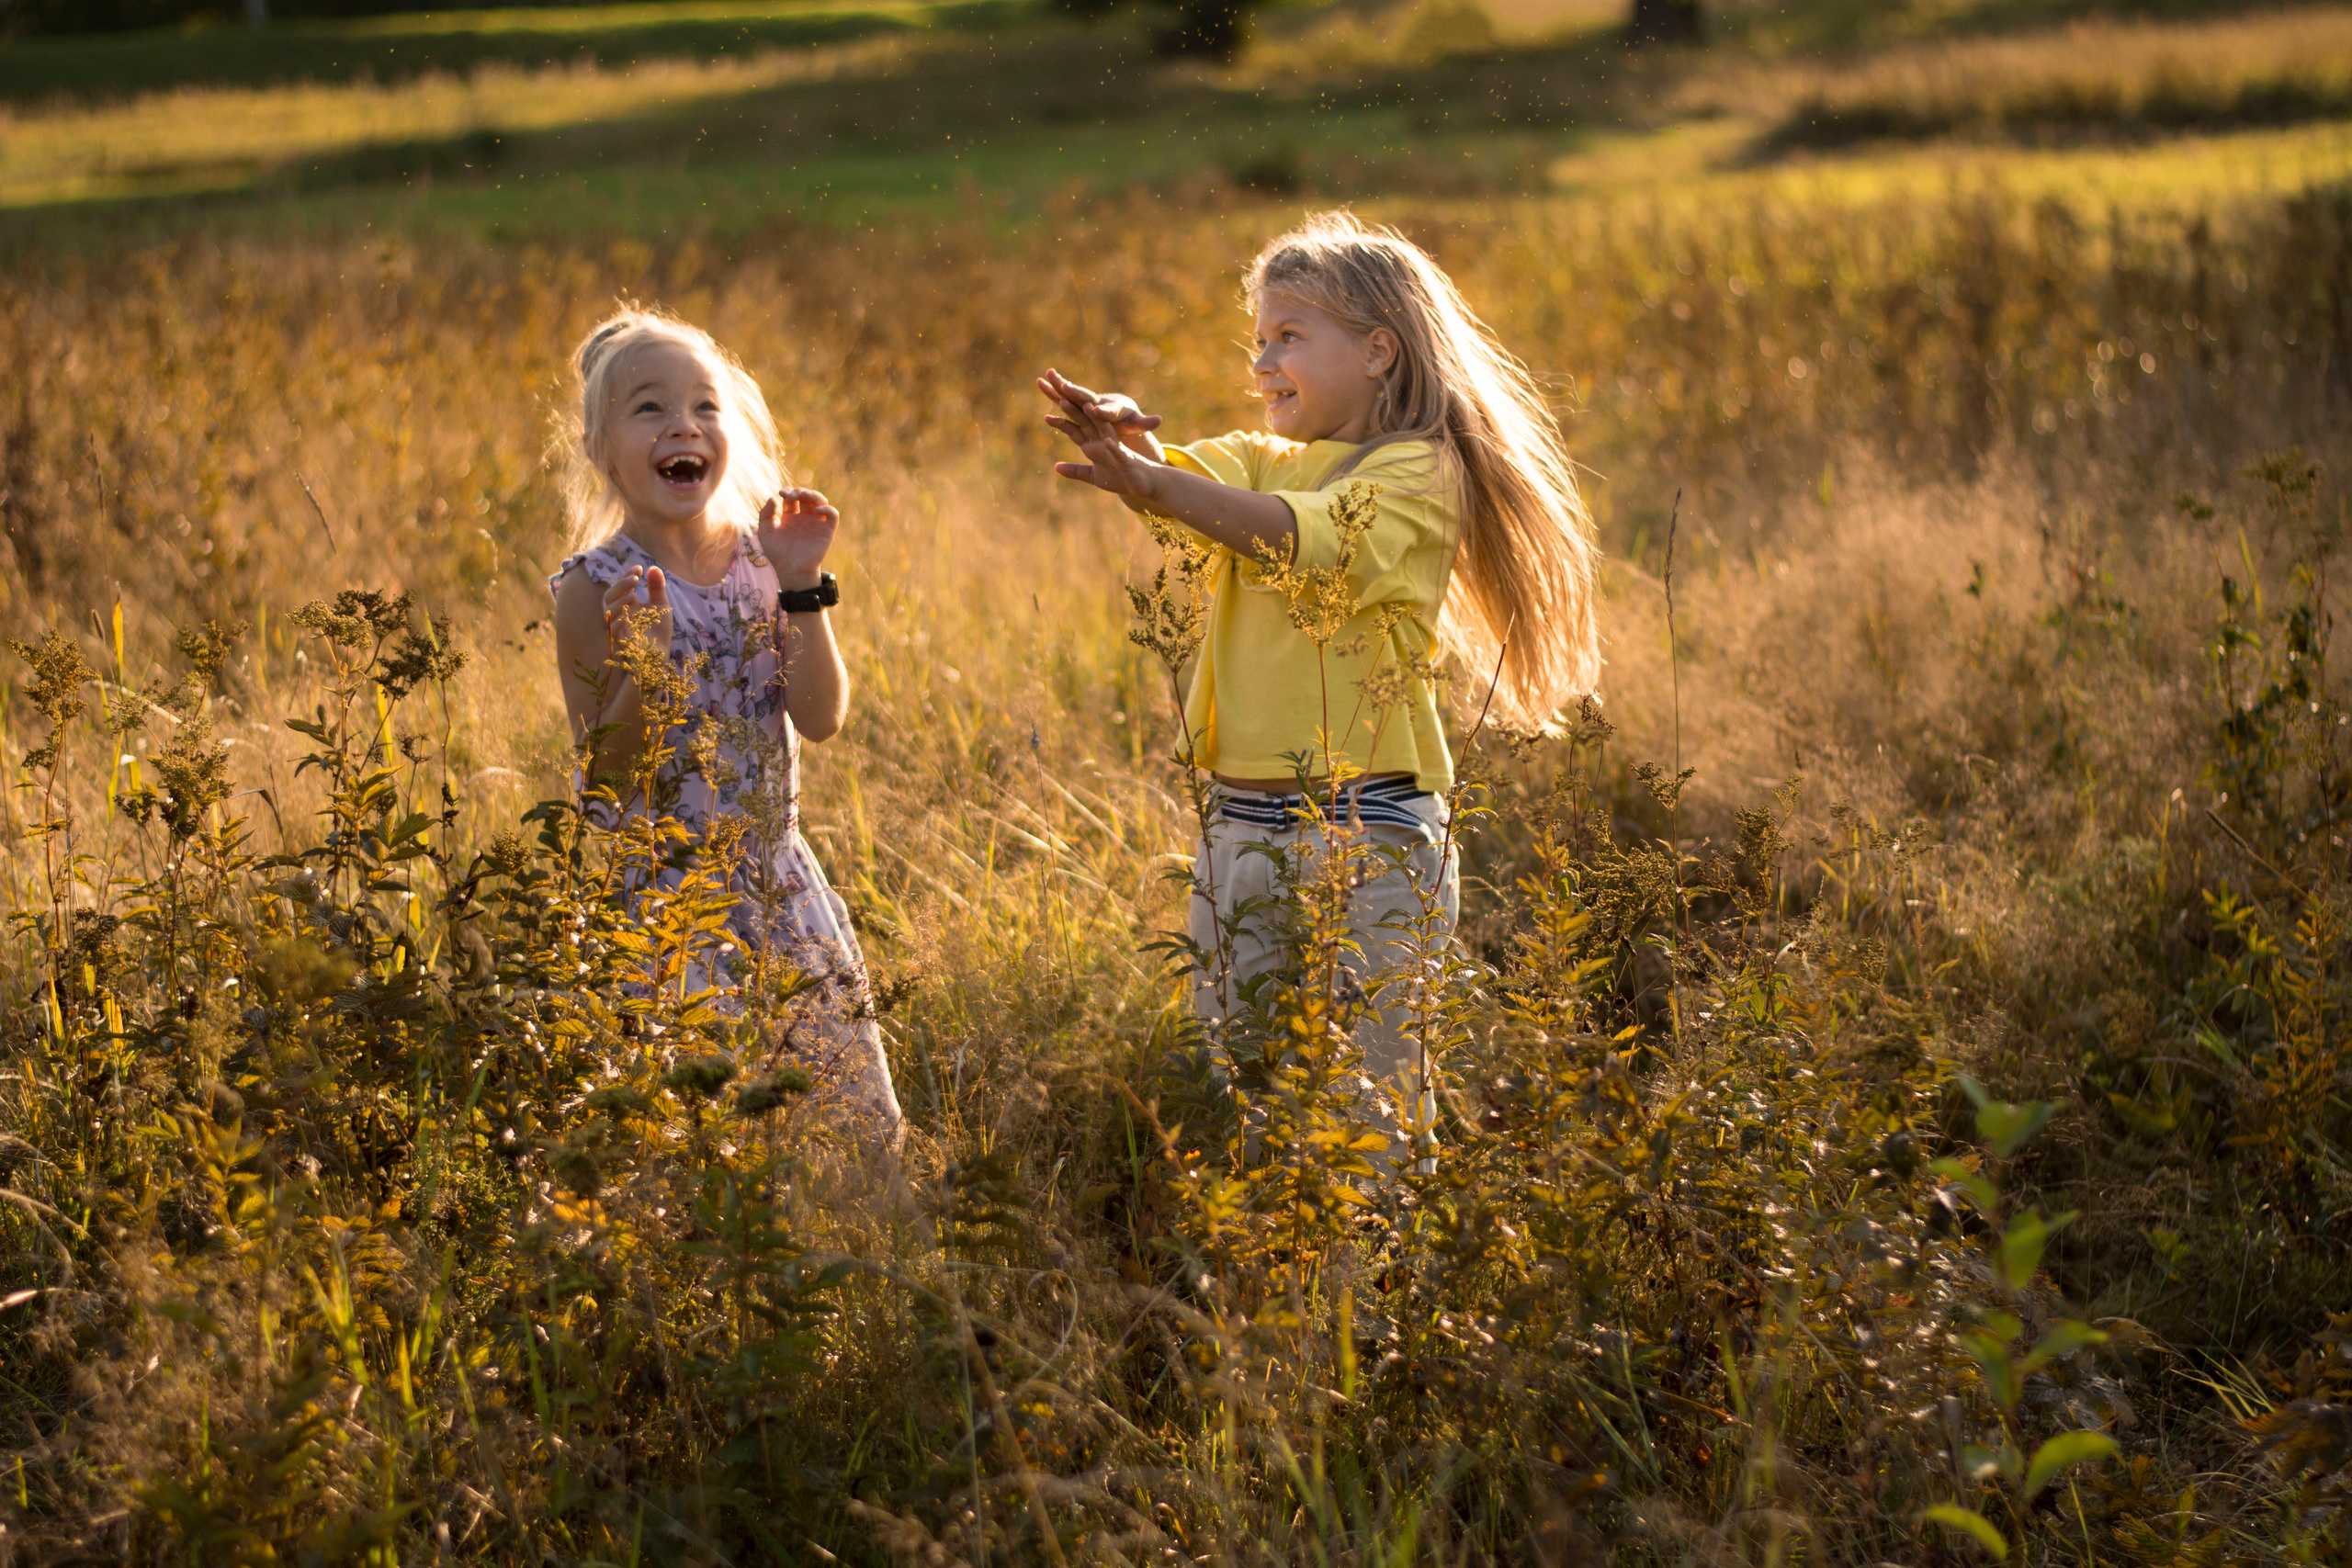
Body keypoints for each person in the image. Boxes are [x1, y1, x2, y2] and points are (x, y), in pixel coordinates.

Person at [1037, 209, 1600, 1165]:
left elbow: (1304, 539)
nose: (1261, 361)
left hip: (1370, 834)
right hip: (1237, 834)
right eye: (1256, 340)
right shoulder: (1269, 462)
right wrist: (1136, 450)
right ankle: (1271, 1287)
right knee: (1236, 1081)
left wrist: (1158, 486)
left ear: (1379, 350)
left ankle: (1374, 1297)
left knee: (1371, 1101)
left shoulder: (1417, 472)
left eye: (1288, 337)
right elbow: (1198, 482)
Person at [549, 306, 904, 1155]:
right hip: (671, 904)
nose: (684, 424)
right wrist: (642, 668)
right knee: (709, 1143)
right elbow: (606, 784)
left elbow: (820, 719)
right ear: (601, 449)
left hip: (782, 889)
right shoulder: (593, 590)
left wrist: (803, 584)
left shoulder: (762, 559)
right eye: (649, 408)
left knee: (849, 1130)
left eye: (705, 406)